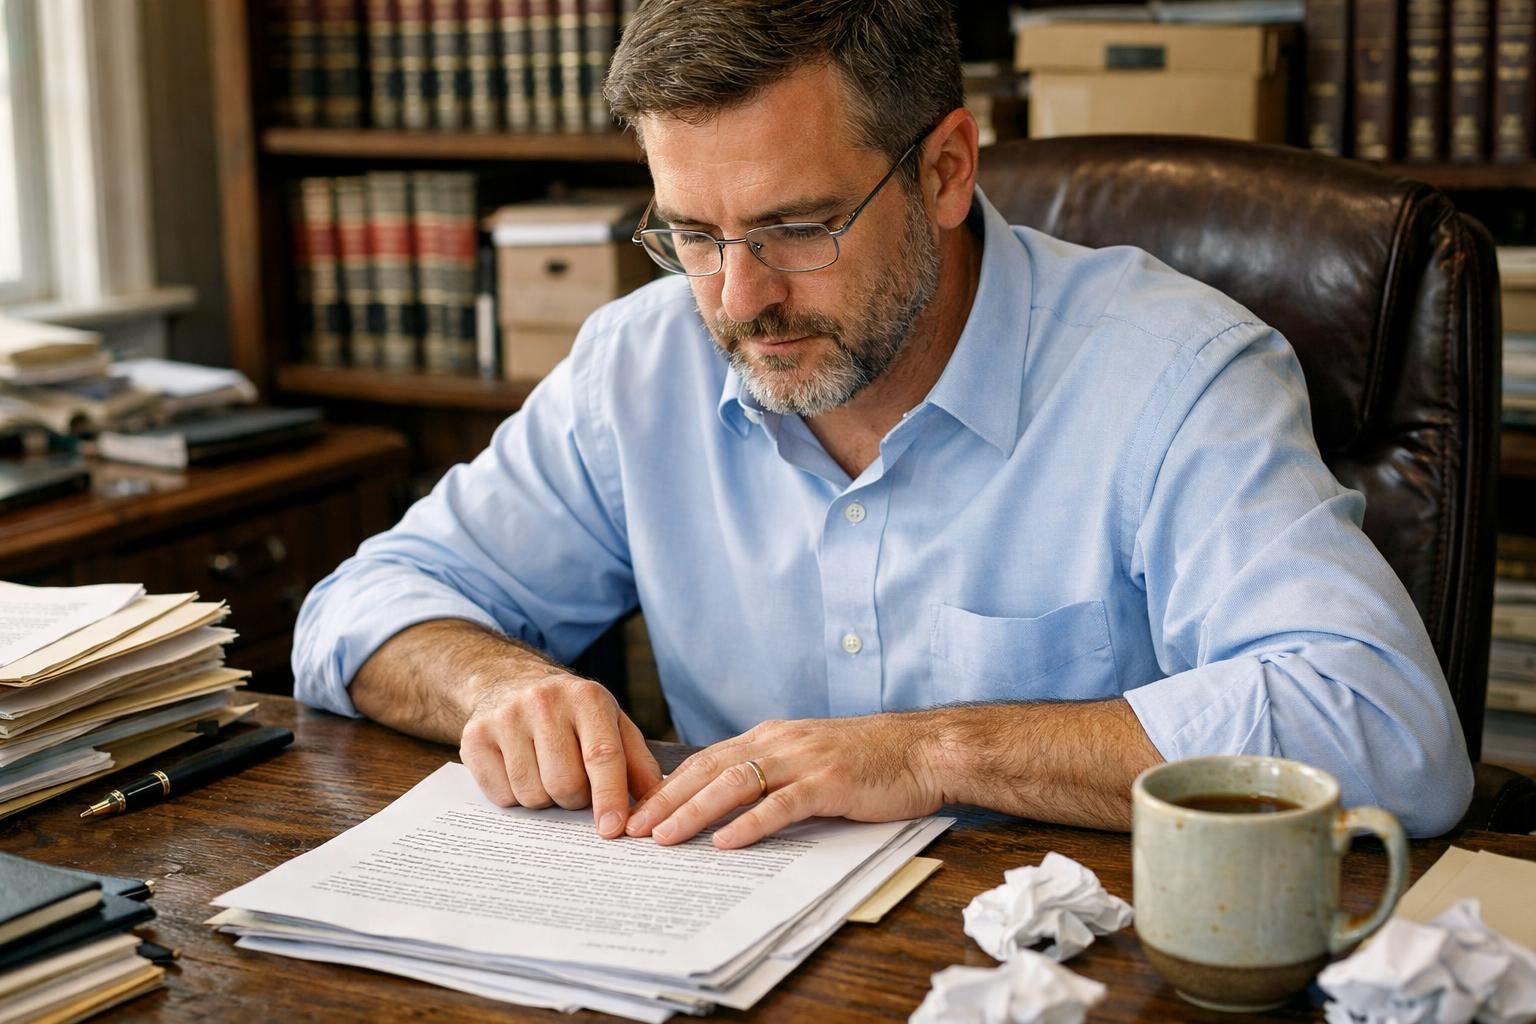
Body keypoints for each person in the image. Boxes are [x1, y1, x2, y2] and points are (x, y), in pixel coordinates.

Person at [293, 0, 1472, 846]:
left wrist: (925, 749)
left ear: (948, 170)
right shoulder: (637, 364)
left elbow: (1388, 724)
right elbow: (355, 610)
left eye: (798, 228)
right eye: (693, 235)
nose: (738, 299)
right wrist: (494, 686)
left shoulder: (1173, 373)